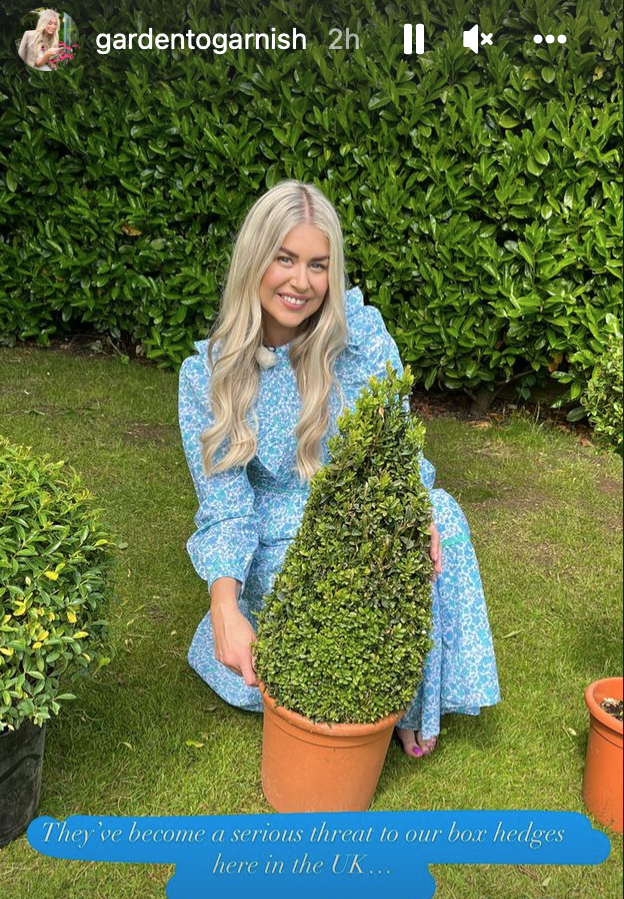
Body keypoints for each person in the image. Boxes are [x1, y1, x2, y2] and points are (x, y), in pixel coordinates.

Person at [178, 181, 500, 758]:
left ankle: (410, 695)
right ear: (255, 260)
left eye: (318, 265)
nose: (301, 282)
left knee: (441, 520)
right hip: (280, 534)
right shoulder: (207, 375)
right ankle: (360, 697)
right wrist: (223, 606)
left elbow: (394, 439)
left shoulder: (360, 337)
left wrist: (410, 506)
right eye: (285, 258)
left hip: (363, 504)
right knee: (317, 616)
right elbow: (226, 505)